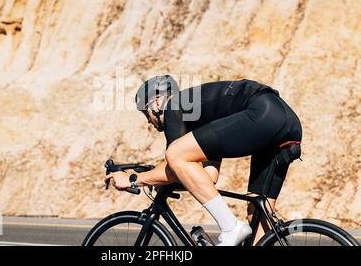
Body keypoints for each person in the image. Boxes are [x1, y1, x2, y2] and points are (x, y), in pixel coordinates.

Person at [105, 75, 303, 246]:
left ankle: (230, 228)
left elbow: (174, 162)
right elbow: (208, 177)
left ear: (157, 102)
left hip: (262, 113)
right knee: (257, 215)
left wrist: (133, 179)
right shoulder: (205, 117)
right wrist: (159, 178)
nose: (148, 120)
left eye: (145, 112)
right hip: (286, 122)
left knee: (174, 154)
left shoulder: (175, 105)